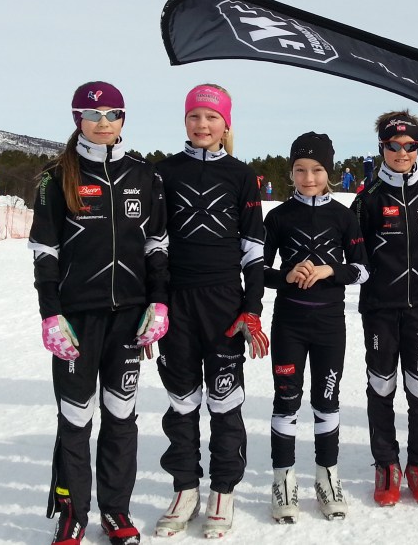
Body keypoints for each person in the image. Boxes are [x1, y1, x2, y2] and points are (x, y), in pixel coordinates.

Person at [28, 81, 169, 545]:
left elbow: (156, 247)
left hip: (128, 318)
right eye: (93, 114)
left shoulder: (145, 176)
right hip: (76, 320)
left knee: (120, 415)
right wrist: (51, 314)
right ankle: (72, 513)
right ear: (78, 120)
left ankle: (115, 510)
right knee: (75, 417)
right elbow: (45, 252)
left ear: (123, 118)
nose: (103, 122)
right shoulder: (56, 177)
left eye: (112, 113)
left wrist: (159, 302)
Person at [153, 84, 269, 538]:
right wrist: (154, 304)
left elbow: (253, 250)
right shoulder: (164, 172)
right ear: (185, 120)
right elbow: (154, 246)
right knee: (182, 401)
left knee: (225, 401)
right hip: (177, 302)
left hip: (224, 303)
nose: (203, 124)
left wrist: (252, 308)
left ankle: (222, 490)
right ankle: (185, 489)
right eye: (195, 116)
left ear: (226, 123)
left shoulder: (241, 175)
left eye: (212, 117)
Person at [264, 131, 369, 522]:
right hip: (289, 324)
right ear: (291, 172)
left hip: (329, 326)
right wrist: (287, 275)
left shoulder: (344, 216)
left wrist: (329, 270)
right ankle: (283, 480)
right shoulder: (277, 216)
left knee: (327, 401)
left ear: (330, 171)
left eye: (317, 170)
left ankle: (327, 477)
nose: (308, 178)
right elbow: (256, 269)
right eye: (300, 170)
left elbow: (363, 269)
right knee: (286, 400)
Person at [351, 110, 418, 506]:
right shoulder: (367, 199)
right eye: (394, 145)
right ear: (382, 147)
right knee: (382, 385)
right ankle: (386, 463)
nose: (402, 152)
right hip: (379, 308)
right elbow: (355, 256)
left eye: (410, 145)